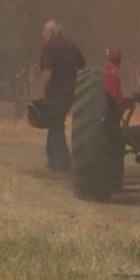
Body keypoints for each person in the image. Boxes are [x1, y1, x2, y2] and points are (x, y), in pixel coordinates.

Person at [37, 19, 85, 173]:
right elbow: (82, 64)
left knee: (56, 128)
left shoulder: (49, 46)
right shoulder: (71, 46)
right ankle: (52, 161)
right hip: (70, 94)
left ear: (52, 31)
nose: (42, 34)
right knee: (54, 124)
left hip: (55, 93)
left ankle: (64, 164)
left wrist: (41, 90)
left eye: (44, 30)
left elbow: (48, 72)